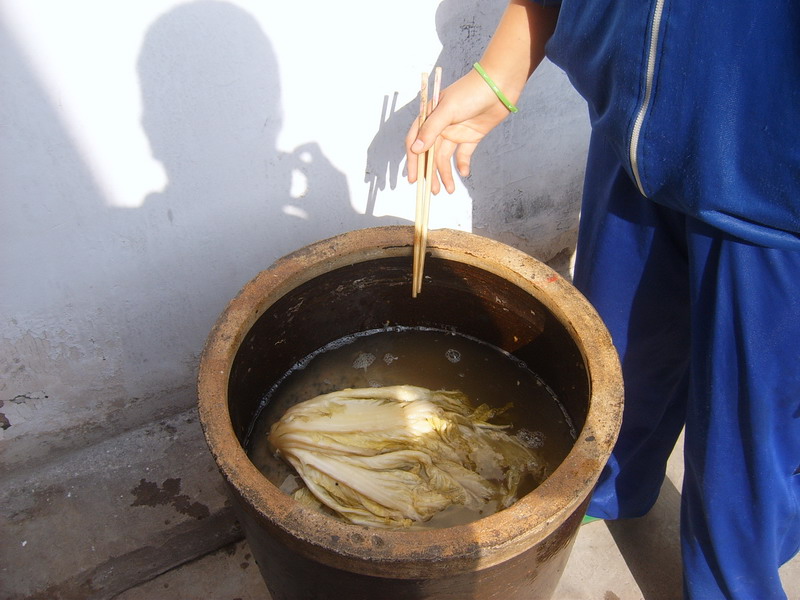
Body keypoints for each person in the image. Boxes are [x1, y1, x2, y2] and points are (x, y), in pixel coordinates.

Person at [405, 1, 800, 598]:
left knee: (745, 446)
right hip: (634, 129)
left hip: (772, 183)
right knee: (618, 365)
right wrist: (502, 69)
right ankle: (614, 487)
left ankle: (731, 584)